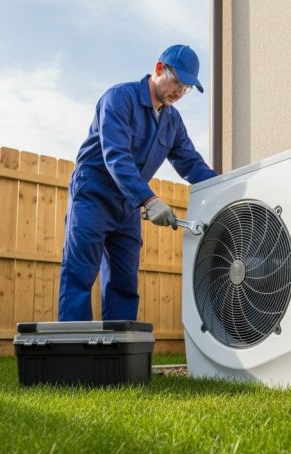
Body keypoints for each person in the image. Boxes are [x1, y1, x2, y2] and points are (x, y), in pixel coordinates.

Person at [58, 44, 217, 321]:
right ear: (158, 69)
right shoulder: (119, 99)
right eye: (177, 82)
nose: (179, 92)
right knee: (79, 274)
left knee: (124, 281)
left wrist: (226, 188)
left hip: (128, 204)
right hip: (93, 193)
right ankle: (74, 355)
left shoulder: (172, 121)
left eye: (186, 88)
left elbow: (192, 164)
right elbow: (116, 157)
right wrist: (149, 199)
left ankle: (119, 356)